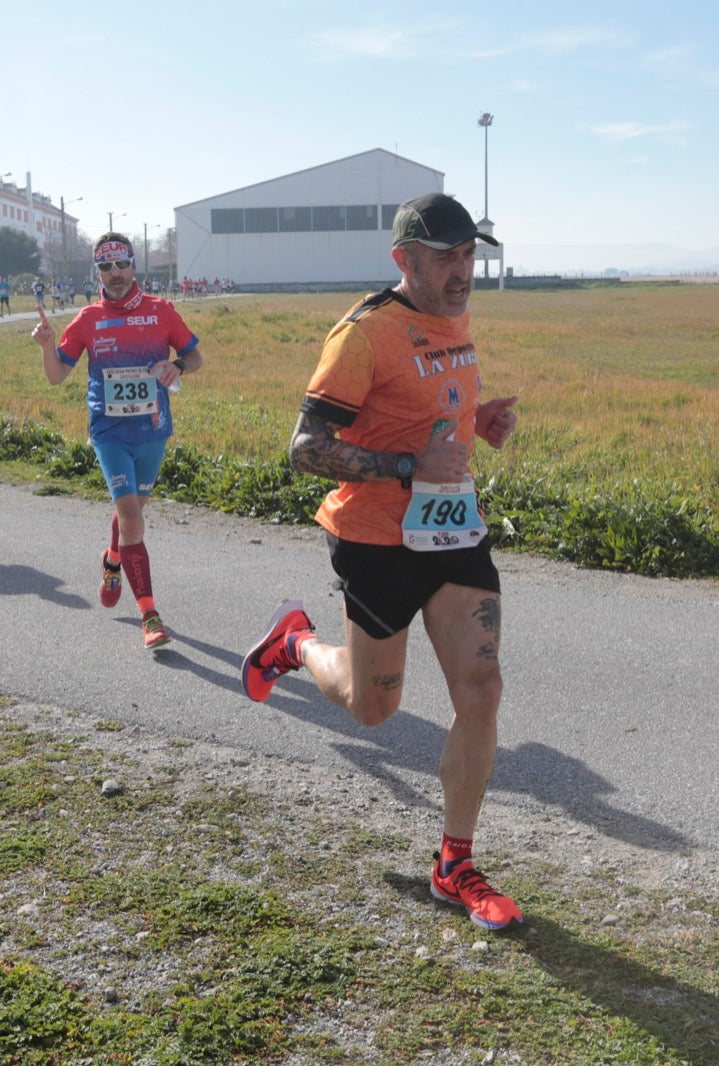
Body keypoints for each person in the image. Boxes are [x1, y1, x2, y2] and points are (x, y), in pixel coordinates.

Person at [240, 193, 523, 931]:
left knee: (483, 687)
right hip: (374, 537)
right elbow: (305, 449)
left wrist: (475, 421)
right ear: (404, 259)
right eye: (445, 256)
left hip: (453, 530)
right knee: (374, 708)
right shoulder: (362, 336)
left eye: (469, 254)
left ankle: (454, 865)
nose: (462, 270)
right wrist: (407, 465)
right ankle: (296, 643)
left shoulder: (453, 316)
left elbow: (425, 407)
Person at [29, 232, 202, 649]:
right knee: (130, 516)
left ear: (133, 266)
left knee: (132, 514)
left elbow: (195, 356)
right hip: (109, 432)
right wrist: (47, 346)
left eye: (122, 264)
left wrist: (177, 366)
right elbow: (56, 376)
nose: (116, 273)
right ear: (98, 272)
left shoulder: (161, 311)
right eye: (106, 267)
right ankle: (150, 615)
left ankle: (112, 560)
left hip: (153, 430)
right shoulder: (87, 319)